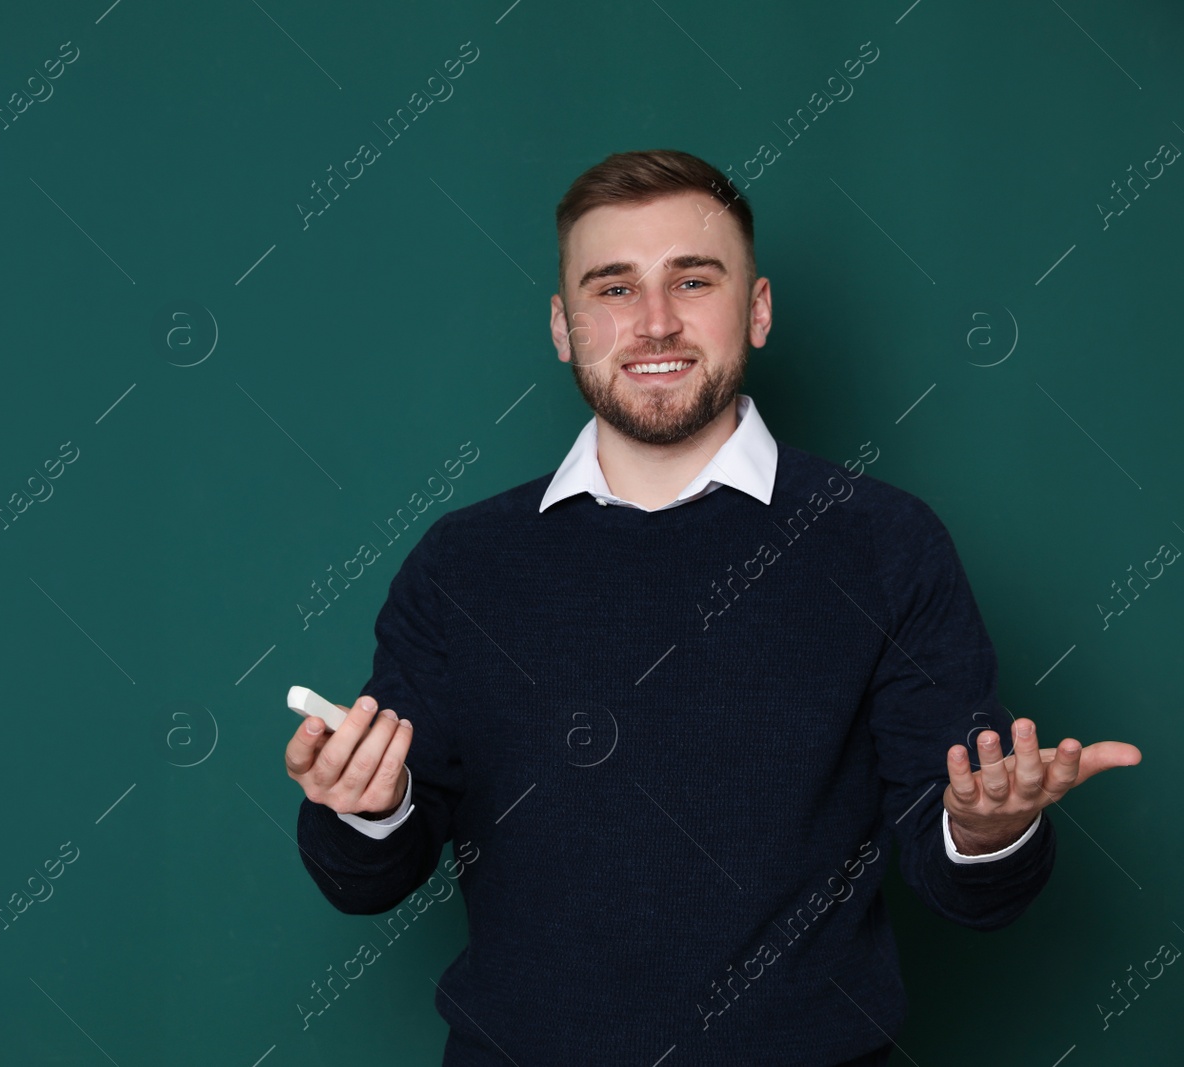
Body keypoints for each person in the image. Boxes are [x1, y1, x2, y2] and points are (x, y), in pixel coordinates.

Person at [284, 148, 1141, 1066]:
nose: (655, 322)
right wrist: (364, 808)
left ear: (759, 310)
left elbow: (967, 882)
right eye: (613, 289)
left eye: (692, 280)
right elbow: (369, 877)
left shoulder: (886, 543)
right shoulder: (464, 563)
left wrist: (983, 831)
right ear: (564, 327)